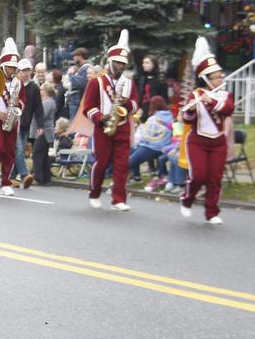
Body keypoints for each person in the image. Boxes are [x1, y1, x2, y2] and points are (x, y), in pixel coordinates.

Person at [78, 29, 139, 211]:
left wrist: (127, 105)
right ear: (110, 62)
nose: (121, 66)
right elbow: (87, 107)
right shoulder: (97, 81)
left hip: (122, 126)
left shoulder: (129, 83)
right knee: (102, 162)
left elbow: (136, 104)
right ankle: (94, 192)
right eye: (118, 63)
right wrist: (99, 117)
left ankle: (119, 199)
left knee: (122, 165)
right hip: (103, 127)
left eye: (123, 64)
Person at [180, 37, 234, 225]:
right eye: (216, 77)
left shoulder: (226, 95)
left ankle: (211, 212)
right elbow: (187, 120)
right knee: (199, 176)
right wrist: (191, 110)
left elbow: (228, 109)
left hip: (218, 142)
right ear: (206, 79)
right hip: (198, 141)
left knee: (215, 178)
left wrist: (211, 102)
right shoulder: (195, 95)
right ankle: (187, 198)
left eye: (220, 76)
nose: (220, 79)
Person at [0, 38, 21, 196]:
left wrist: (17, 108)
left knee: (9, 152)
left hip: (12, 121)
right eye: (9, 67)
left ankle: (5, 182)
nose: (12, 71)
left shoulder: (18, 83)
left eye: (14, 68)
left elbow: (22, 100)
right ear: (2, 65)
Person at [130, 96, 174, 185]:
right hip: (165, 146)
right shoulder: (171, 116)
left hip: (151, 147)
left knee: (129, 161)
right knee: (133, 151)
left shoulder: (153, 119)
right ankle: (136, 176)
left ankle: (135, 176)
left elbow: (146, 136)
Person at [16, 58, 42, 188]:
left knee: (18, 151)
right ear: (18, 72)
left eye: (28, 70)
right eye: (24, 71)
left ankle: (11, 177)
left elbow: (38, 107)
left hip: (26, 124)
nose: (26, 73)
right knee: (18, 149)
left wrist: (40, 125)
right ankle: (24, 175)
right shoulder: (14, 85)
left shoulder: (34, 87)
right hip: (14, 124)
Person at [32, 82, 56, 186]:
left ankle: (38, 177)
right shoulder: (48, 102)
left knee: (37, 154)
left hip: (44, 132)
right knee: (44, 156)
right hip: (45, 132)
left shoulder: (47, 103)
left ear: (46, 91)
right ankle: (46, 179)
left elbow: (41, 115)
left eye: (41, 89)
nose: (40, 91)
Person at [65, 47, 90, 121]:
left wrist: (71, 74)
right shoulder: (81, 67)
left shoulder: (86, 68)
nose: (73, 58)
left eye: (75, 56)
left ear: (80, 56)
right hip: (75, 100)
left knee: (74, 123)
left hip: (77, 101)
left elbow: (80, 84)